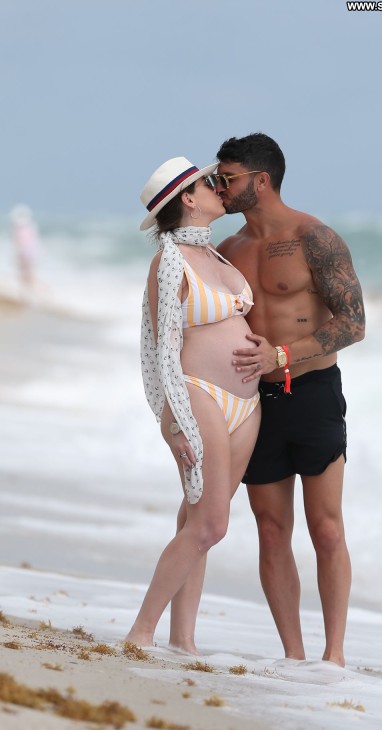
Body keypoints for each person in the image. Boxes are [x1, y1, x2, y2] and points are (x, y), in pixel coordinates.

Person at [214, 134, 365, 667]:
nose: (219, 187)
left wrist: (281, 354)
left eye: (227, 178)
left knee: (326, 527)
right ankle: (294, 657)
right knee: (271, 528)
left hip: (313, 393)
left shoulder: (315, 238)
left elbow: (354, 323)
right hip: (255, 401)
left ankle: (335, 655)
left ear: (261, 180)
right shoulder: (227, 250)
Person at [126, 157, 261, 651]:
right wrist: (175, 422)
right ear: (188, 198)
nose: (217, 187)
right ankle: (140, 633)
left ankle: (183, 641)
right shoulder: (169, 261)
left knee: (196, 520)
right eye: (208, 183)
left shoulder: (218, 258)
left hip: (247, 406)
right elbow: (163, 346)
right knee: (211, 526)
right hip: (199, 396)